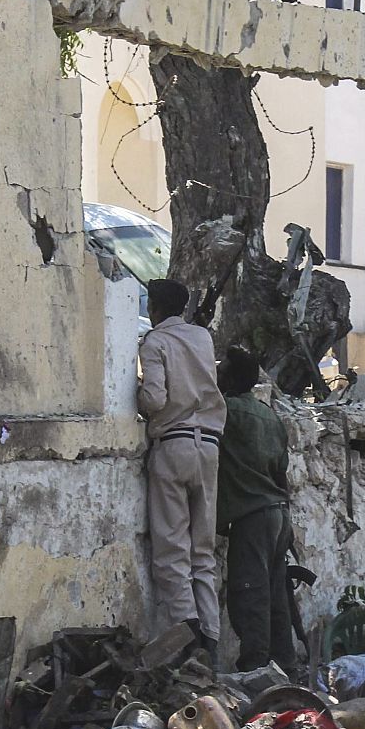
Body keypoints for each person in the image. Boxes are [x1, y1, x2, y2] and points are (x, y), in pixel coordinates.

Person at [137, 278, 227, 663]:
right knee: (202, 549)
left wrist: (138, 394)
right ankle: (211, 635)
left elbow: (155, 399)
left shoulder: (155, 342)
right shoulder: (202, 338)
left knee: (172, 547)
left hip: (172, 446)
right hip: (208, 446)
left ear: (155, 309)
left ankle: (186, 634)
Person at [215, 346, 296, 674]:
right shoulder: (269, 415)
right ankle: (285, 668)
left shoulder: (227, 412)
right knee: (277, 598)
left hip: (254, 519)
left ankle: (256, 673)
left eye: (221, 372)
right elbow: (281, 468)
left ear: (231, 378)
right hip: (278, 516)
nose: (216, 378)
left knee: (251, 597)